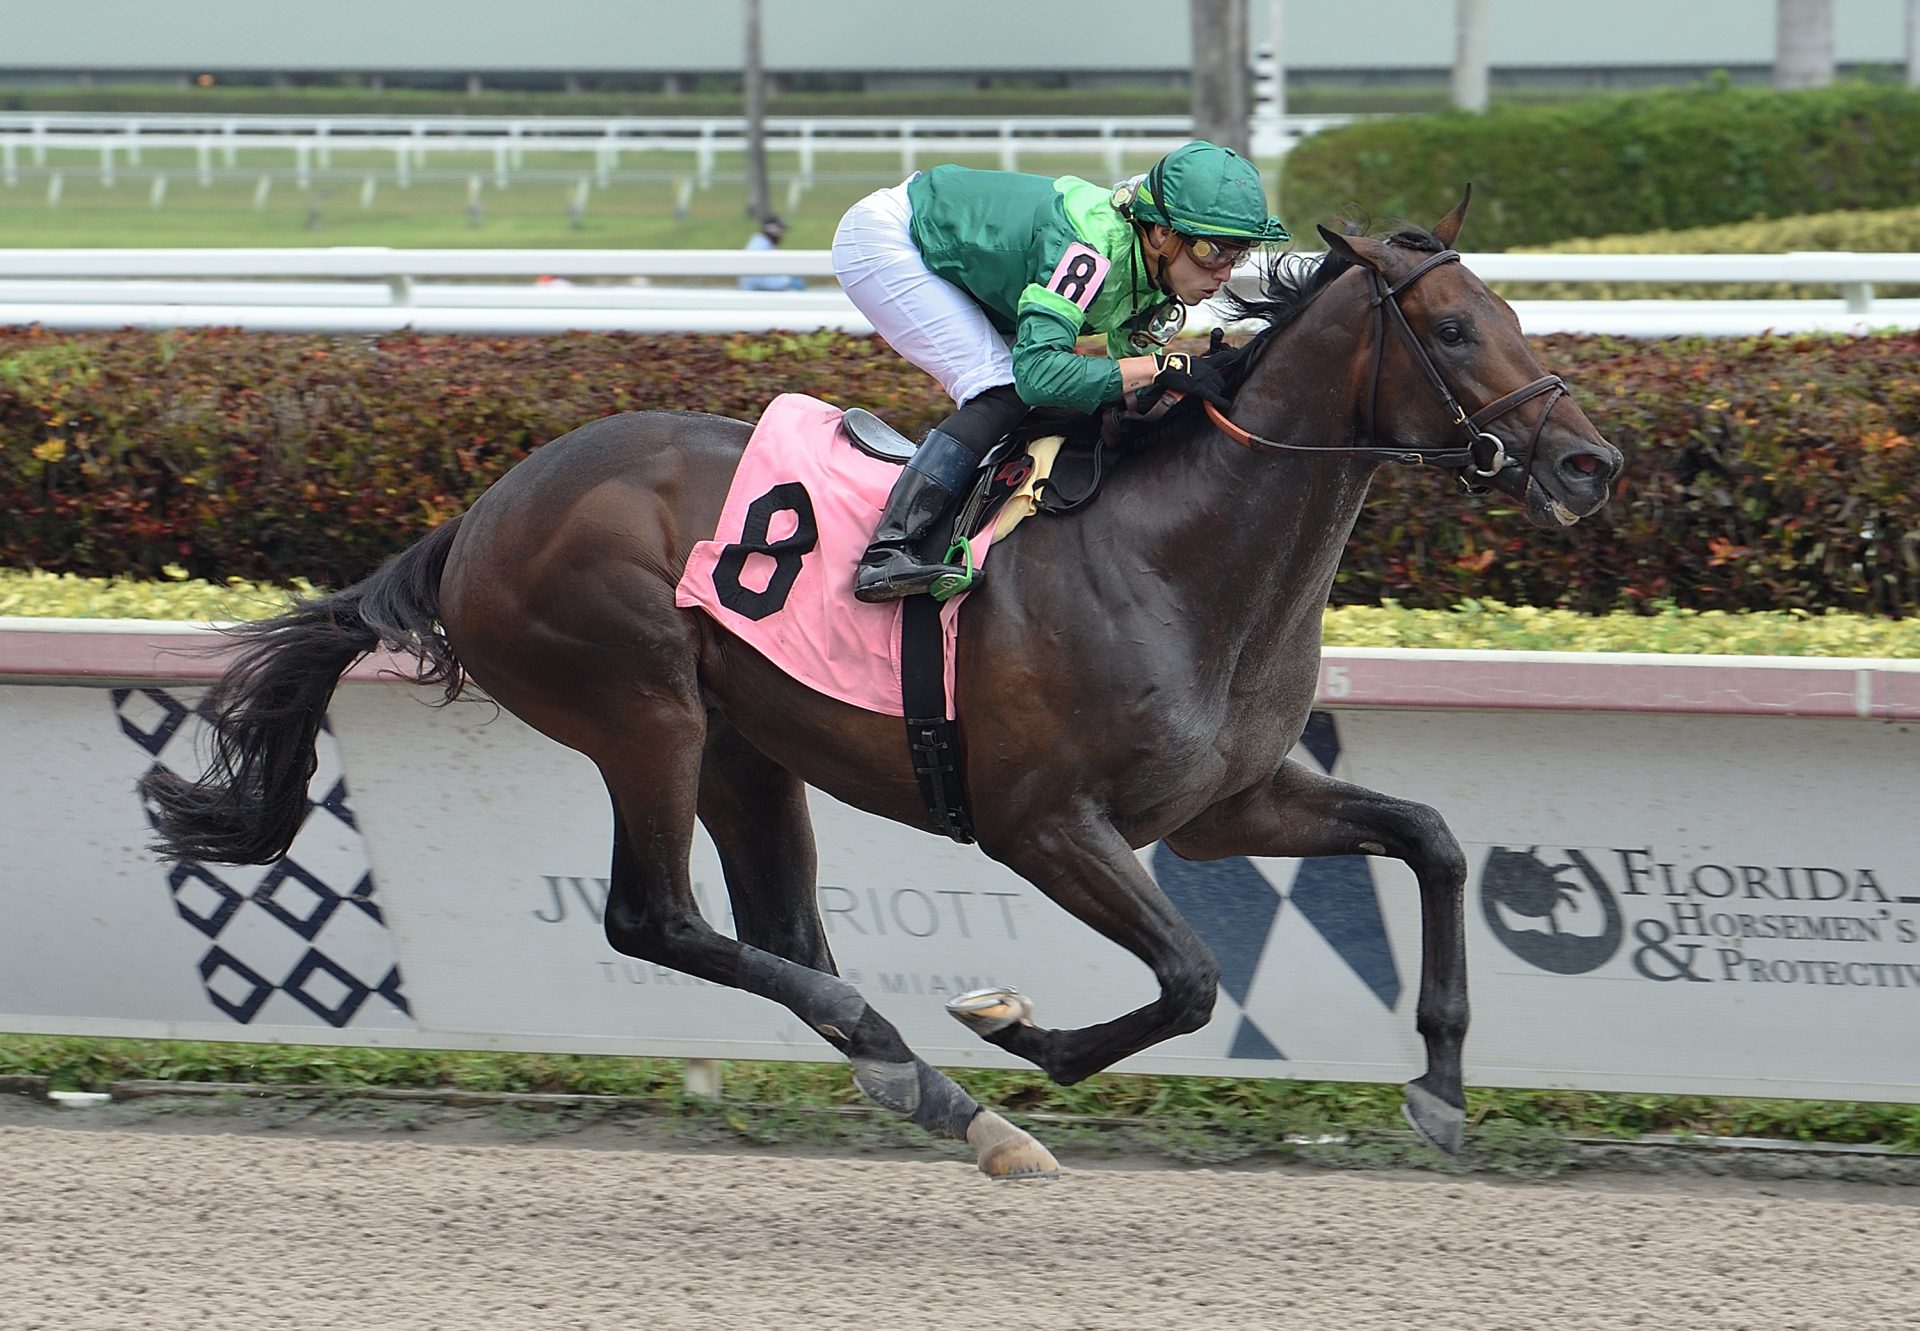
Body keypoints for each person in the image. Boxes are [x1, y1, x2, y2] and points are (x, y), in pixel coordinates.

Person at [831, 140, 1289, 603]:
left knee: (1054, 404)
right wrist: (1156, 367)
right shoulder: (1088, 250)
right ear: (1160, 234)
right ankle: (887, 552)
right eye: (1213, 251)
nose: (1225, 273)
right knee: (1003, 390)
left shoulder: (1154, 271)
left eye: (1240, 253)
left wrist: (1171, 382)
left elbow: (1126, 385)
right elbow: (1038, 374)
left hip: (968, 263)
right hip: (891, 238)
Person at [740, 215, 807, 292]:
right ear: (771, 229)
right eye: (780, 230)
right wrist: (788, 281)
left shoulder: (761, 243)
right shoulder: (759, 246)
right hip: (757, 293)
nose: (782, 234)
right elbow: (758, 279)